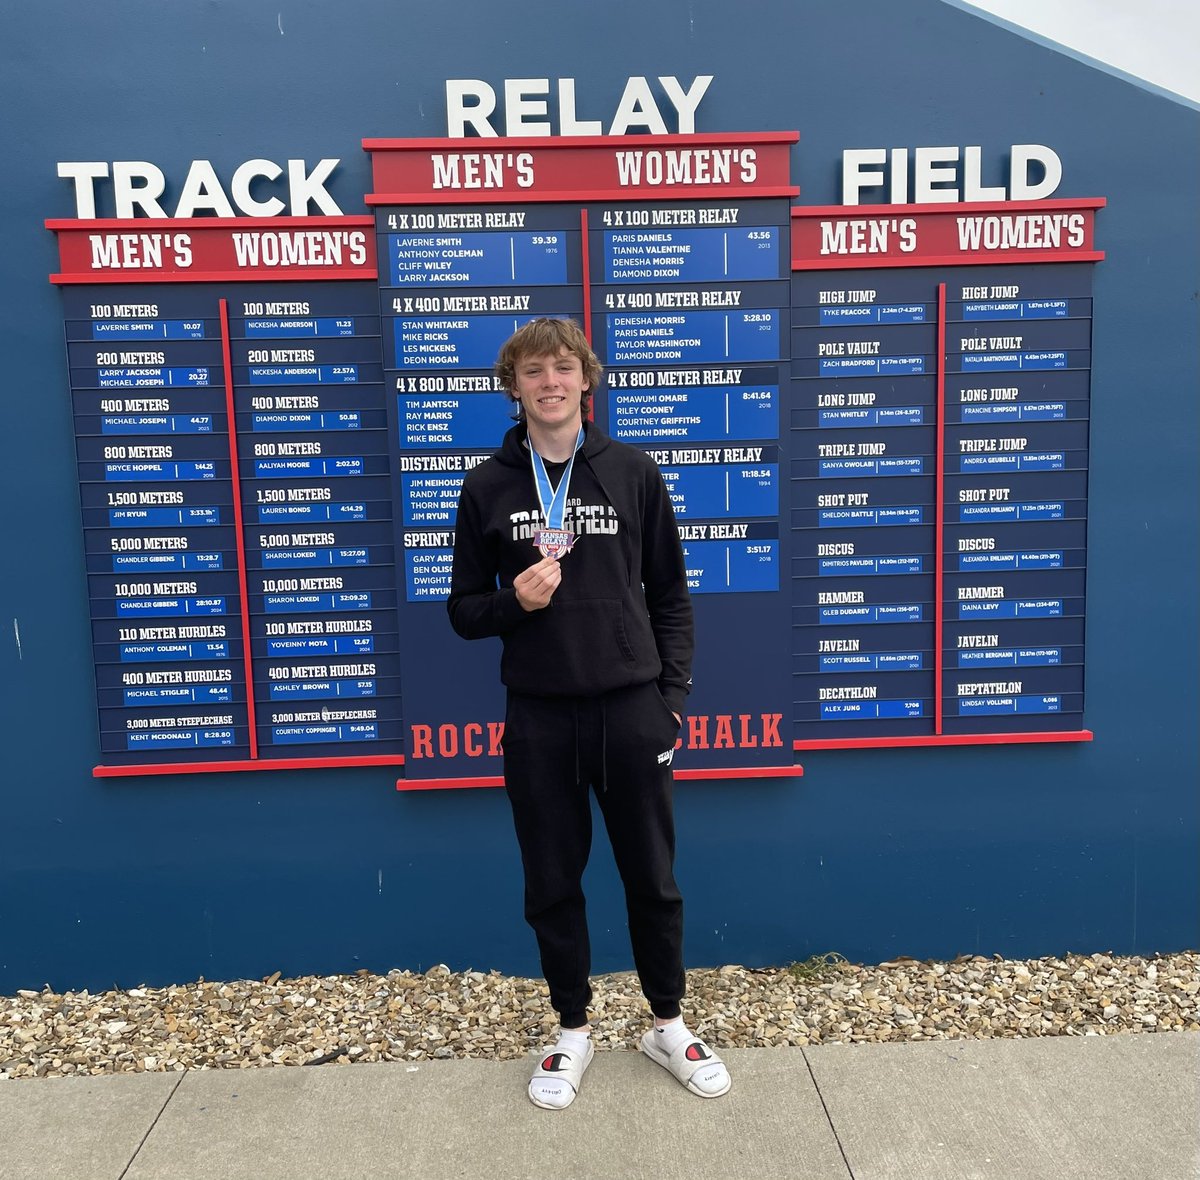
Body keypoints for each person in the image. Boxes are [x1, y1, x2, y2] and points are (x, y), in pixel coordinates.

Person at [447, 317, 731, 1109]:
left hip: (631, 710)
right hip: (538, 715)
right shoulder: (487, 485)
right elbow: (463, 611)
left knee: (653, 878)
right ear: (514, 387)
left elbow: (672, 594)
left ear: (585, 381)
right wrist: (513, 602)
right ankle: (572, 1029)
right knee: (551, 881)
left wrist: (671, 701)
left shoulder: (633, 472)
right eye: (533, 371)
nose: (550, 383)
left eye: (563, 368)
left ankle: (667, 1023)